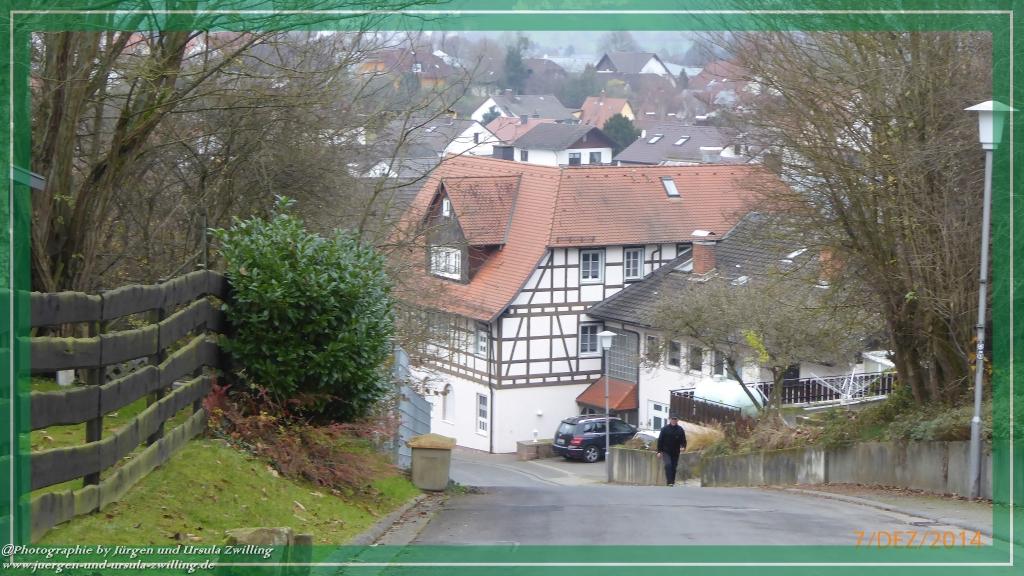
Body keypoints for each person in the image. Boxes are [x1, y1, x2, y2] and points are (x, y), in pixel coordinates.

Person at [656, 415, 687, 486]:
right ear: (670, 419)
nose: (674, 421)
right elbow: (660, 440)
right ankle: (669, 482)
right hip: (666, 451)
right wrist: (659, 451)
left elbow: (683, 440)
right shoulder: (664, 429)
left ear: (677, 420)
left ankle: (672, 482)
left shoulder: (680, 429)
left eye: (675, 419)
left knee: (674, 467)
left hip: (676, 452)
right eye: (672, 419)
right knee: (668, 465)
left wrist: (683, 447)